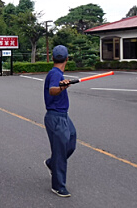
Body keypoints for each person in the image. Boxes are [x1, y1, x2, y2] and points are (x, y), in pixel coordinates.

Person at [43, 45, 76, 198]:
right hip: (55, 117)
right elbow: (52, 90)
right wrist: (62, 87)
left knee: (71, 140)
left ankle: (52, 162)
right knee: (61, 151)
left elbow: (55, 87)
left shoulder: (57, 73)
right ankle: (58, 186)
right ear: (67, 59)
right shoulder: (55, 74)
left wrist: (63, 85)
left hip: (63, 116)